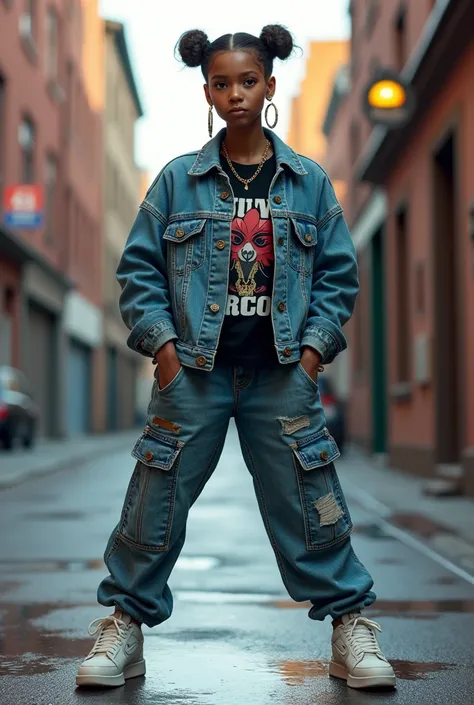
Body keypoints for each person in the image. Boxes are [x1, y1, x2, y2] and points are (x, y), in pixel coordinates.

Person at [76, 25, 396, 691]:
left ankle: (349, 625)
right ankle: (124, 627)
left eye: (248, 81)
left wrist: (311, 358)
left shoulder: (307, 182)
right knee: (155, 496)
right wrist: (163, 351)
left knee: (309, 496)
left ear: (269, 84)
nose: (236, 94)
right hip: (193, 371)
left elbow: (338, 277)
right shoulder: (176, 181)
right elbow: (139, 271)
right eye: (221, 83)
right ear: (207, 91)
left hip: (282, 373)